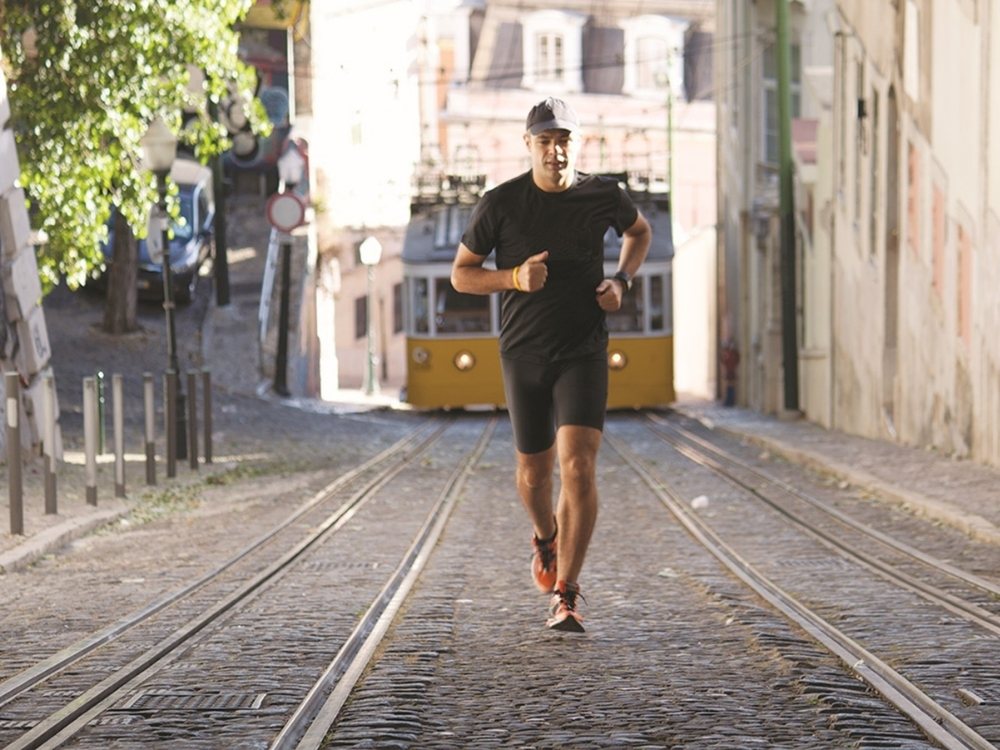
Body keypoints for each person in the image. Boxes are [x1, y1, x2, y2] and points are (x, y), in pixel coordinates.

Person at [451, 97, 652, 632]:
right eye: (545, 141)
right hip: (524, 352)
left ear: (575, 144)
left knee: (579, 467)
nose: (555, 151)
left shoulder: (603, 195)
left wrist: (621, 282)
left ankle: (566, 592)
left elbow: (640, 233)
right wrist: (513, 278)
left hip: (583, 348)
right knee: (533, 475)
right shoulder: (501, 204)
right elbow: (462, 275)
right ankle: (544, 537)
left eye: (563, 140)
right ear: (529, 145)